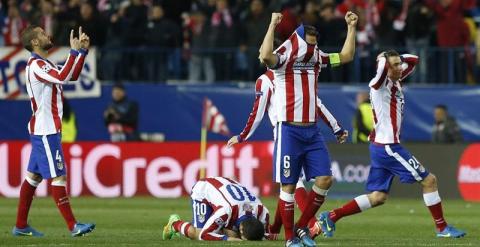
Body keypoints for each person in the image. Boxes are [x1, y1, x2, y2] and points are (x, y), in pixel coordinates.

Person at [317, 50, 466, 239]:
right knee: (430, 180)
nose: (399, 67)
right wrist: (382, 61)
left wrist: (396, 59)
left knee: (378, 196)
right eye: (394, 65)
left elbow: (414, 60)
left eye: (398, 64)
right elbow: (381, 72)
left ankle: (330, 216)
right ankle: (442, 228)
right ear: (385, 67)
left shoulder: (395, 79)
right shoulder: (378, 85)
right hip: (388, 147)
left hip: (381, 146)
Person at [258, 11, 357, 247]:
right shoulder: (284, 56)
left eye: (315, 43)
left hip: (312, 132)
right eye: (309, 43)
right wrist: (272, 24)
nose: (313, 47)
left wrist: (352, 28)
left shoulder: (317, 57)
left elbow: (346, 56)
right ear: (299, 39)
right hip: (288, 130)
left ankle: (302, 227)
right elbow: (264, 56)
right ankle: (290, 239)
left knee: (325, 179)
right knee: (289, 186)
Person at [226, 69, 348, 239]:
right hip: (291, 132)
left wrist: (242, 136)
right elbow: (259, 111)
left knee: (292, 184)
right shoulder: (278, 77)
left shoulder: (286, 77)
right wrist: (336, 127)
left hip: (297, 133)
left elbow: (315, 103)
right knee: (290, 184)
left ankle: (299, 226)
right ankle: (290, 228)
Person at [13, 26, 95, 237]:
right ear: (35, 43)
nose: (46, 35)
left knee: (33, 177)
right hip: (45, 130)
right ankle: (72, 225)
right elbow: (63, 75)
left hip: (45, 129)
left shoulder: (44, 64)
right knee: (58, 177)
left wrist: (82, 52)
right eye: (41, 34)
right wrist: (73, 51)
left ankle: (21, 225)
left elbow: (71, 76)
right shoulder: (37, 65)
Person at [162, 177, 268, 241]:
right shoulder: (227, 210)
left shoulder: (262, 211)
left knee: (228, 231)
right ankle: (174, 224)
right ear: (241, 229)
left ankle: (216, 225)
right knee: (195, 233)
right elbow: (204, 235)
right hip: (203, 190)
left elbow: (265, 233)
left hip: (224, 186)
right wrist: (227, 239)